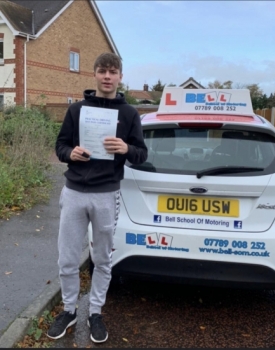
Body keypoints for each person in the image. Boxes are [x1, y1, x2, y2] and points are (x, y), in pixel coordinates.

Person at [47, 52, 148, 343]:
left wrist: (126, 149)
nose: (107, 76)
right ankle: (69, 310)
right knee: (67, 257)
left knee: (103, 258)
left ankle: (95, 312)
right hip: (74, 192)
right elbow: (61, 145)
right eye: (102, 71)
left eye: (112, 71)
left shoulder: (129, 114)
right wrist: (71, 153)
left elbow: (141, 155)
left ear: (120, 76)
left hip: (106, 194)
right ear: (94, 74)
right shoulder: (77, 110)